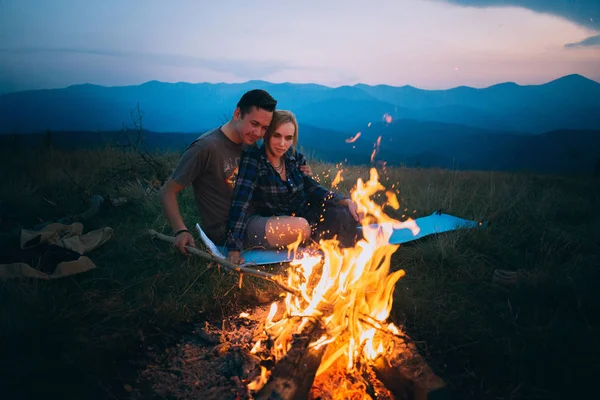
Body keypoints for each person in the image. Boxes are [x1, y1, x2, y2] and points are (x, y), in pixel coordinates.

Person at [159, 89, 313, 255]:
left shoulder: (249, 142)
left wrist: (298, 172)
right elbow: (167, 191)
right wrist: (181, 230)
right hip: (228, 230)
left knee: (317, 214)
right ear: (237, 113)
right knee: (302, 227)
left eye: (264, 128)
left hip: (259, 217)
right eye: (254, 124)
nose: (258, 133)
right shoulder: (205, 148)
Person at [225, 110, 361, 264]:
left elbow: (313, 189)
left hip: (301, 215)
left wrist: (344, 201)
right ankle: (319, 239)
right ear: (267, 134)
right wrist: (234, 248)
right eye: (277, 135)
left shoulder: (293, 157)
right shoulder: (254, 160)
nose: (282, 144)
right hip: (269, 221)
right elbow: (240, 203)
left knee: (346, 213)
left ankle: (329, 245)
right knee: (301, 227)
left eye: (288, 138)